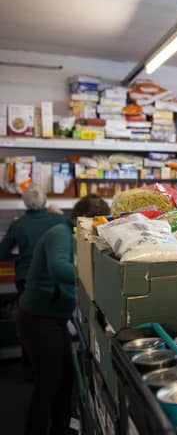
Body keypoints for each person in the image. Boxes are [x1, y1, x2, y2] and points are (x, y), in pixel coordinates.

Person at [17, 194, 110, 435]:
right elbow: (59, 269)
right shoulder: (61, 234)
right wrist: (92, 277)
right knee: (48, 382)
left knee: (66, 377)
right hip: (39, 317)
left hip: (54, 317)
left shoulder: (75, 236)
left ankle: (60, 428)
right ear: (84, 219)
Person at [0, 185, 67, 297]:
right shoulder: (60, 220)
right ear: (45, 201)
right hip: (56, 279)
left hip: (27, 279)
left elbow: (2, 254)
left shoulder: (18, 224)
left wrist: (18, 258)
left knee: (31, 312)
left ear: (25, 203)